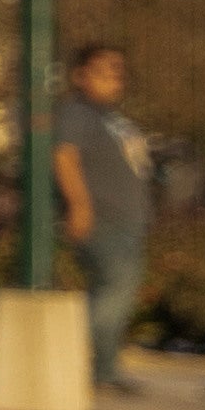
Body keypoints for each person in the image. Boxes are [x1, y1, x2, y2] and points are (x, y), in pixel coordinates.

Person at [55, 39, 163, 379]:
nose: (113, 78)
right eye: (102, 71)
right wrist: (79, 206)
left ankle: (103, 367)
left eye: (117, 71)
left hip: (128, 221)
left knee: (119, 293)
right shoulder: (77, 112)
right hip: (103, 220)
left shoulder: (111, 118)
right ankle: (75, 360)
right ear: (80, 75)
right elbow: (64, 156)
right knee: (113, 289)